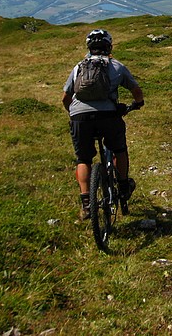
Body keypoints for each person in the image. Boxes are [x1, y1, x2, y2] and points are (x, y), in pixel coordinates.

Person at [62, 28, 144, 220]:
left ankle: (86, 204)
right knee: (119, 149)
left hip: (80, 118)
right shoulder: (116, 66)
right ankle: (123, 186)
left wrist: (73, 114)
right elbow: (136, 91)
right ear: (109, 47)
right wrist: (137, 104)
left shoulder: (78, 67)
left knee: (83, 159)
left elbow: (65, 97)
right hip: (109, 116)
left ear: (89, 48)